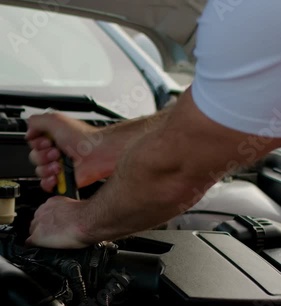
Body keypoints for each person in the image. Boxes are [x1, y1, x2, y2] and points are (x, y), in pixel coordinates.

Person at [26, 1, 281, 249]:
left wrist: (80, 222)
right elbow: (223, 115)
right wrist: (102, 147)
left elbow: (175, 167)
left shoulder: (253, 10)